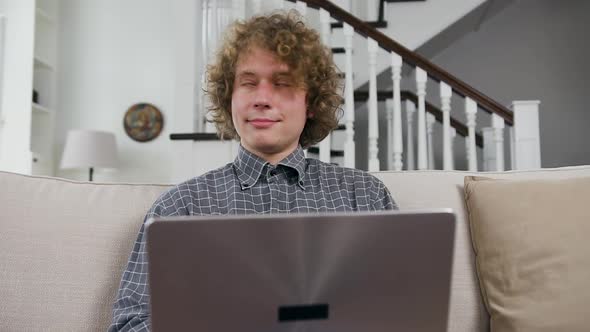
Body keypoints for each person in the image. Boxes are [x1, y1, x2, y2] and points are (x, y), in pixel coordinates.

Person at [109, 10, 397, 331]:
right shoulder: (179, 208)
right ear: (229, 98)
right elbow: (129, 324)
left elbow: (406, 307)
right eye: (248, 83)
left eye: (282, 83)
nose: (262, 98)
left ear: (310, 102)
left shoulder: (367, 197)